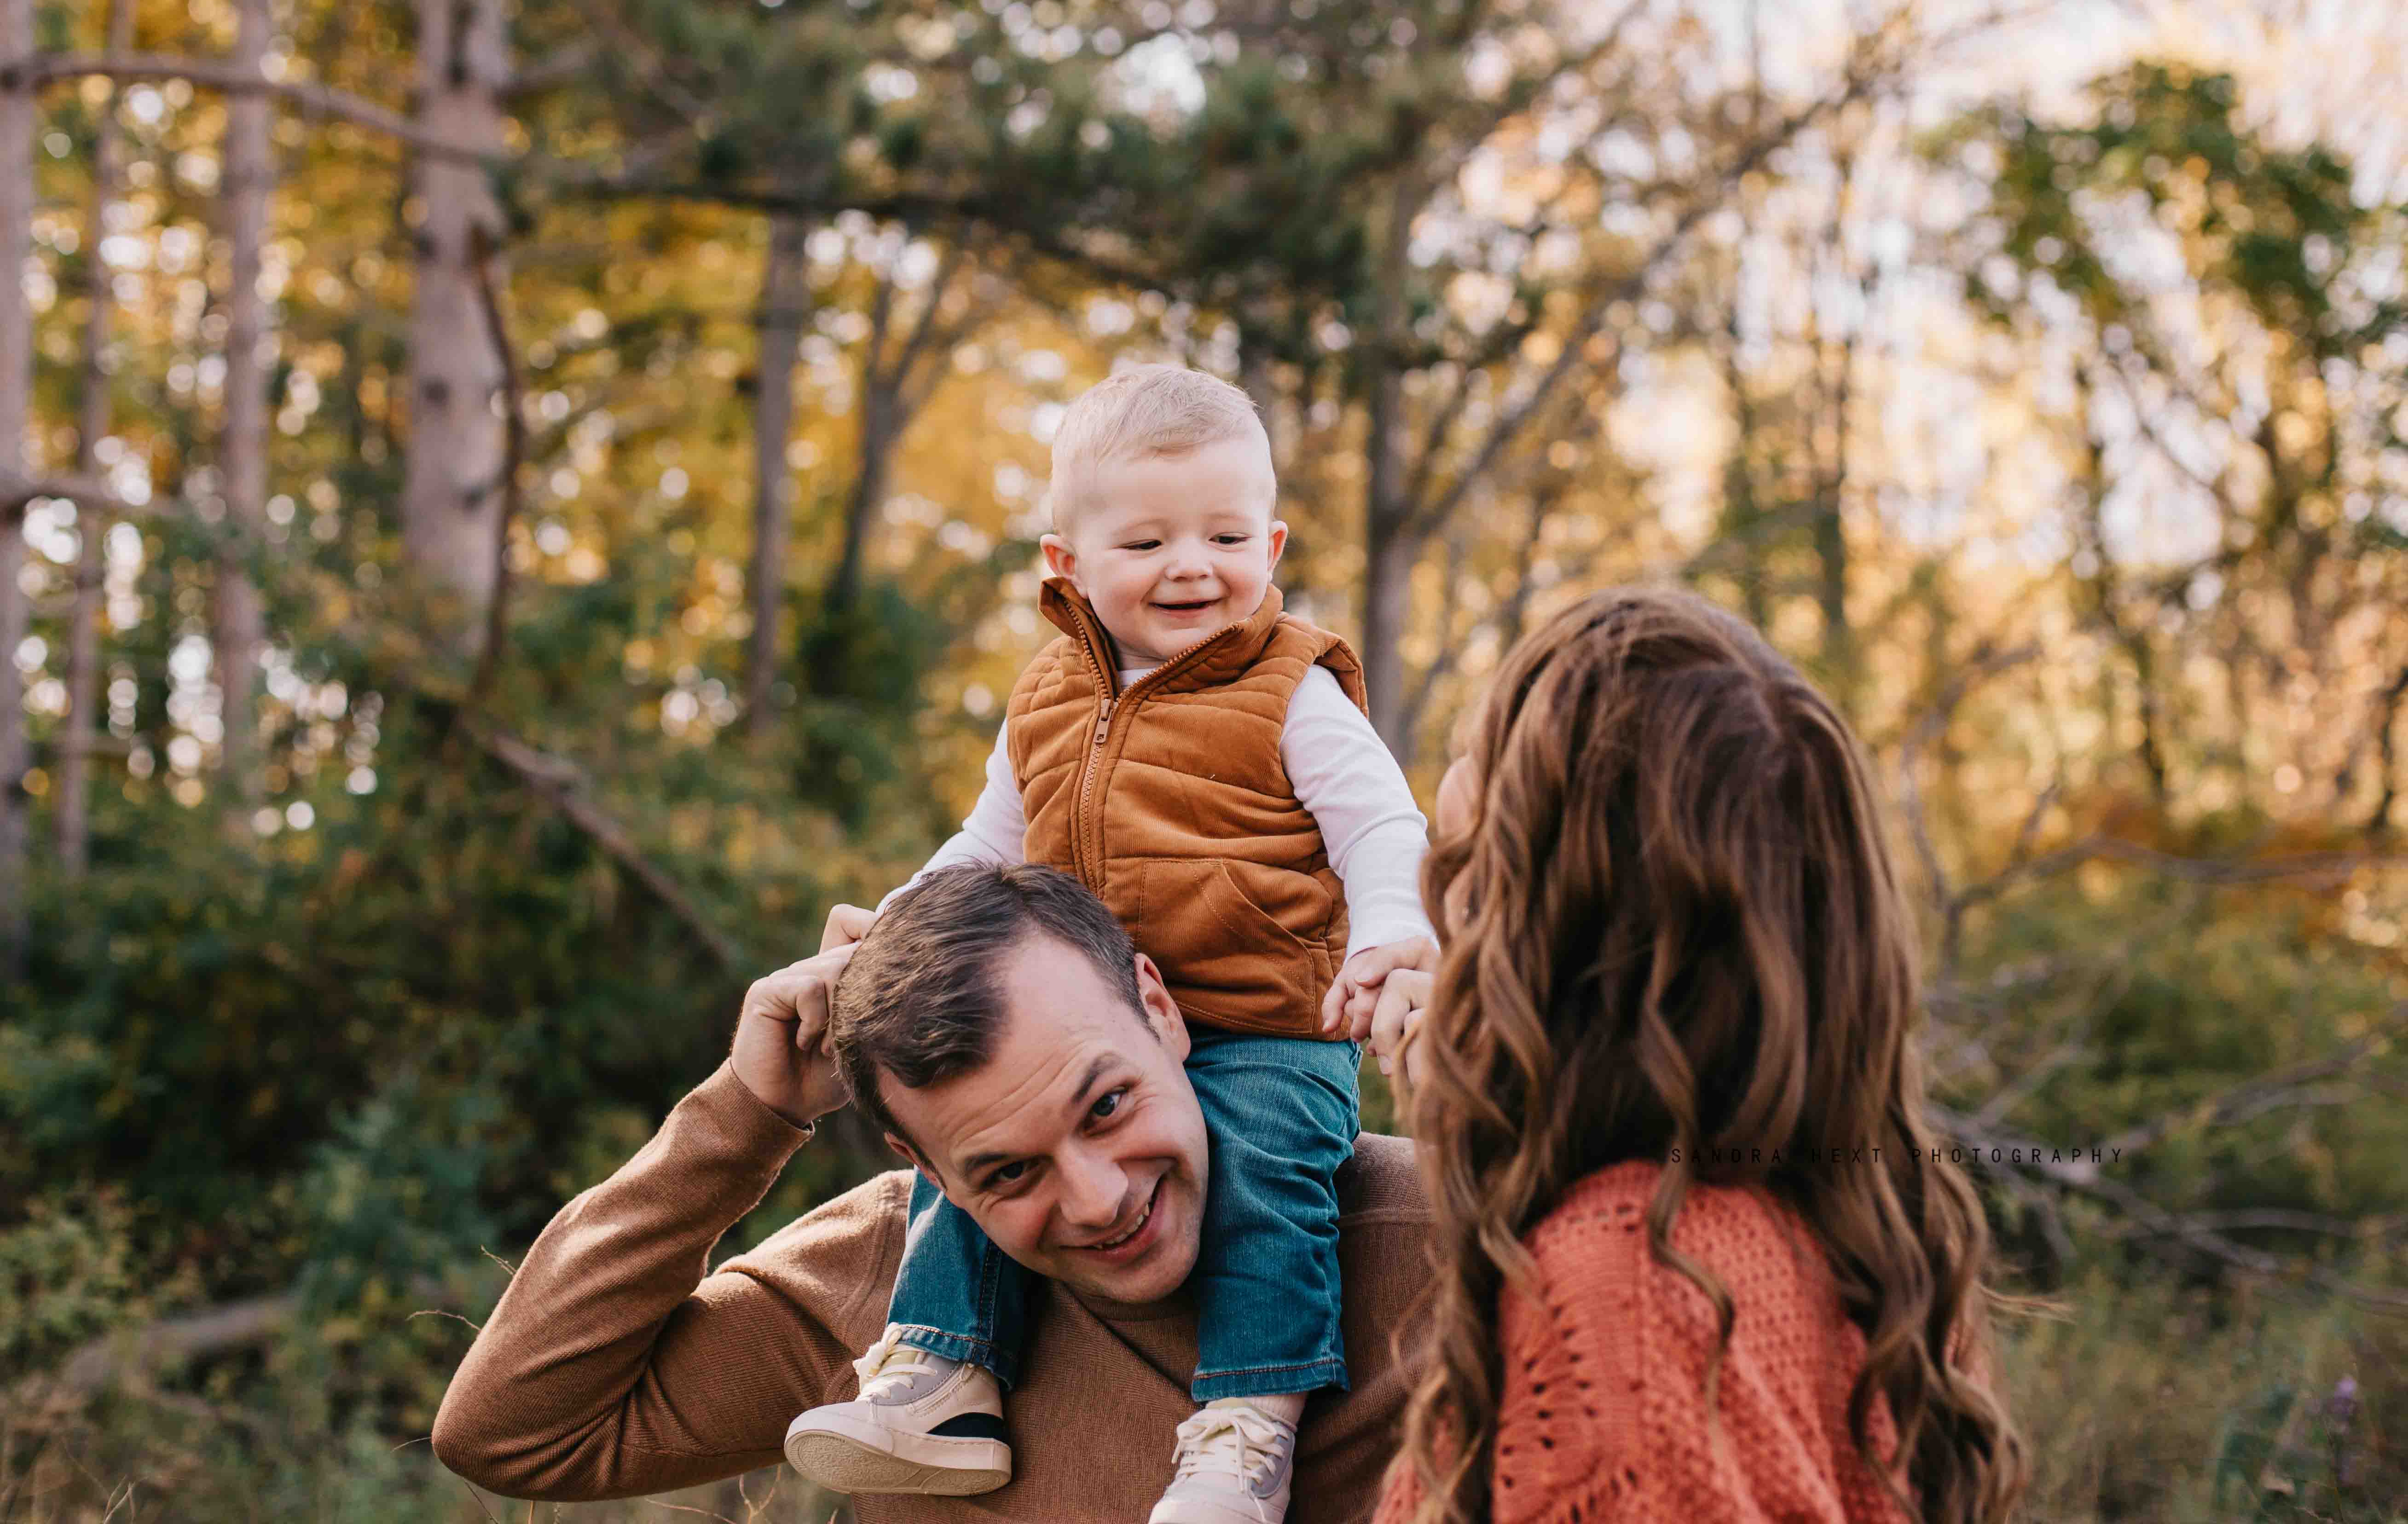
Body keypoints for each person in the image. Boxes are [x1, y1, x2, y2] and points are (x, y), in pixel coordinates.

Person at [785, 363, 1434, 1524]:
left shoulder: (1291, 689)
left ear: (1272, 544)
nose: (1194, 564)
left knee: (1266, 1175)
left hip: (1264, 1023)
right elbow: (989, 841)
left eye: (1227, 534)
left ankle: (1245, 1435)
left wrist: (1392, 933)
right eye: (1147, 542)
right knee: (989, 1145)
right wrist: (892, 925)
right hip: (1085, 1023)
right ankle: (943, 1371)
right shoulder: (1044, 697)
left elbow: (1383, 824)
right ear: (1067, 566)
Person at [429, 862, 1434, 1520]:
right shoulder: (894, 1285)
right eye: (1007, 1171)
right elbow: (514, 1431)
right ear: (922, 1163)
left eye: (1108, 1105)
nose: (1095, 1199)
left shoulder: (1436, 1244)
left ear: (1159, 1009)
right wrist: (740, 1115)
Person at [1360, 587, 2027, 1524]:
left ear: (1554, 949)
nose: (1438, 924)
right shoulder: (1875, 1245)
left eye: (1470, 873)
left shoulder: (1623, 1301)